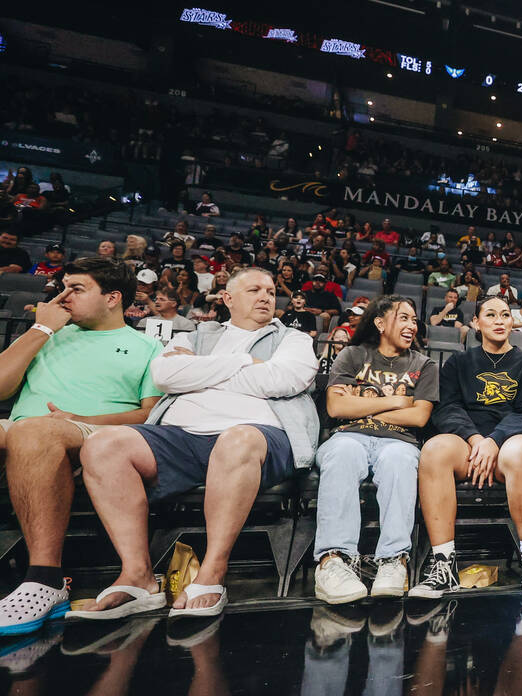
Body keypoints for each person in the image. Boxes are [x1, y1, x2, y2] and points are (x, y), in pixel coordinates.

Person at [74, 267, 318, 619]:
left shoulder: (293, 340)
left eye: (269, 290)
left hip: (258, 435)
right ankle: (137, 575)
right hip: (181, 436)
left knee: (237, 439)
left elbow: (280, 380)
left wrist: (199, 374)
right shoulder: (195, 334)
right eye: (254, 290)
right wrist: (244, 362)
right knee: (102, 445)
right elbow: (165, 375)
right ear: (228, 299)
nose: (266, 296)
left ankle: (212, 571)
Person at [0, 258, 163, 635]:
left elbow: (149, 416)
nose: (63, 296)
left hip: (94, 435)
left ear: (113, 298)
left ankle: (45, 580)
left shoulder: (147, 347)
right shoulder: (48, 334)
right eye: (63, 287)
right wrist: (41, 328)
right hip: (22, 428)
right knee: (31, 431)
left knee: (35, 432)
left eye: (77, 289)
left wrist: (81, 421)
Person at [410, 297, 522, 598]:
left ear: (513, 323)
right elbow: (447, 408)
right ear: (476, 323)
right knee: (434, 450)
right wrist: (477, 440)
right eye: (491, 315)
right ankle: (443, 565)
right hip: (469, 445)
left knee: (521, 450)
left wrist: (493, 441)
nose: (500, 320)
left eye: (505, 315)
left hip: (509, 447)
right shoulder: (458, 363)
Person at [313, 297, 439, 604]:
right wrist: (396, 401)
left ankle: (394, 561)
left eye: (414, 320)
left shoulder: (425, 365)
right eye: (403, 318)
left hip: (400, 441)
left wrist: (361, 407)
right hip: (348, 436)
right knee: (343, 454)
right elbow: (336, 406)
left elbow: (419, 416)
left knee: (398, 460)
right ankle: (334, 561)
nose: (411, 326)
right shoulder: (353, 355)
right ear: (380, 323)